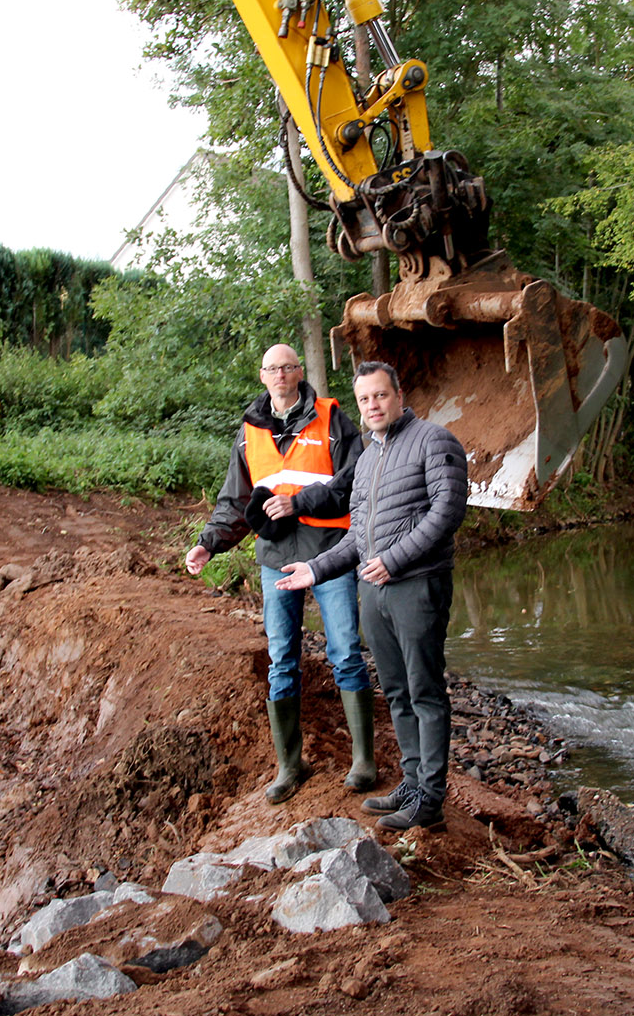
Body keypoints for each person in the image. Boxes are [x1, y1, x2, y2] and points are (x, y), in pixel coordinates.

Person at [276, 360, 467, 831]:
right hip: (374, 589)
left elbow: (447, 511)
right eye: (364, 399)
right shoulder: (365, 457)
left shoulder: (434, 440)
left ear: (398, 395)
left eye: (380, 395)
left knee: (424, 689)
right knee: (397, 691)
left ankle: (431, 798)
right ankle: (412, 780)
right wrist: (315, 568)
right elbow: (358, 536)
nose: (373, 405)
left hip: (416, 584)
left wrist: (396, 559)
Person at [186, 343, 375, 804]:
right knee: (281, 660)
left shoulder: (333, 419)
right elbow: (235, 499)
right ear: (262, 375)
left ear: (298, 372)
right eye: (272, 368)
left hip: (328, 554)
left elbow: (355, 482)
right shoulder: (250, 430)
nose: (280, 375)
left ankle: (364, 761)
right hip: (274, 558)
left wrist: (300, 503)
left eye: (288, 367)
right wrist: (208, 543)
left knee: (346, 651)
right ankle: (290, 766)